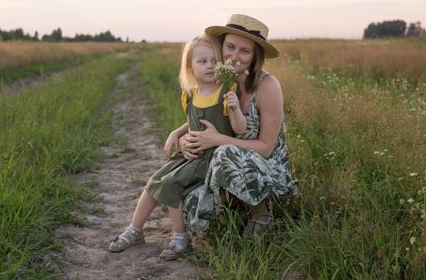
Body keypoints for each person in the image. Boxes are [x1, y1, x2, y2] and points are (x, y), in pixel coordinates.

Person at [108, 34, 246, 260]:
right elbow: (193, 121)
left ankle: (180, 238)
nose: (210, 66)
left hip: (211, 158)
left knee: (170, 183)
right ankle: (134, 230)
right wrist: (176, 132)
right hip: (191, 155)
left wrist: (236, 108)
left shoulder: (226, 92)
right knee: (154, 181)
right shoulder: (190, 95)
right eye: (202, 61)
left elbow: (239, 128)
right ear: (190, 68)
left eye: (214, 60)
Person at [173, 14, 299, 237]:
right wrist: (181, 135)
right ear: (220, 47)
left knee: (225, 152)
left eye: (245, 51)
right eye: (229, 47)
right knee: (190, 206)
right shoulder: (219, 80)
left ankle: (261, 215)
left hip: (266, 173)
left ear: (254, 57)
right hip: (226, 170)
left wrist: (218, 140)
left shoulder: (267, 86)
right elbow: (204, 118)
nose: (234, 56)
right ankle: (229, 210)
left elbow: (266, 148)